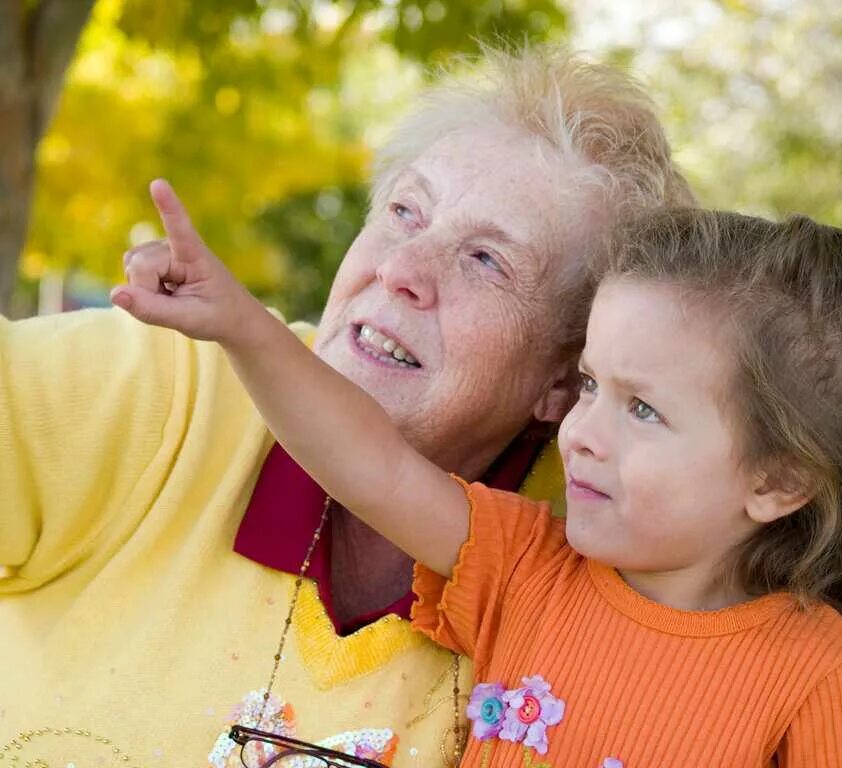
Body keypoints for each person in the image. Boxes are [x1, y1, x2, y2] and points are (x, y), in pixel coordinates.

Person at [112, 195, 842, 767]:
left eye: (643, 410)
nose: (583, 435)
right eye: (594, 387)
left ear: (779, 480)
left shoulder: (811, 665)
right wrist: (242, 327)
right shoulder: (528, 566)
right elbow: (368, 464)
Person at [0, 49, 694, 767]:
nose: (400, 270)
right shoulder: (166, 380)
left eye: (487, 260)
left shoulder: (604, 558)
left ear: (563, 376)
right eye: (403, 211)